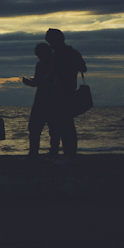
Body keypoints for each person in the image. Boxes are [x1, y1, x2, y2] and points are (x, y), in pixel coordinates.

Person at [44, 28, 87, 159]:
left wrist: (38, 82)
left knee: (63, 126)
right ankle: (70, 154)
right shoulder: (74, 53)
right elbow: (83, 68)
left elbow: (52, 74)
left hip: (60, 93)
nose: (50, 45)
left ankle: (68, 155)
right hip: (71, 91)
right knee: (68, 126)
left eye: (50, 42)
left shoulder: (58, 54)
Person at [22, 43, 58, 158]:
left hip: (52, 99)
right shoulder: (40, 65)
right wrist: (31, 83)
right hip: (41, 99)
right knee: (34, 128)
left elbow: (44, 81)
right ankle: (34, 152)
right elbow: (38, 82)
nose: (38, 57)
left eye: (39, 54)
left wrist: (32, 83)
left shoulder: (54, 65)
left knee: (52, 128)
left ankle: (52, 152)